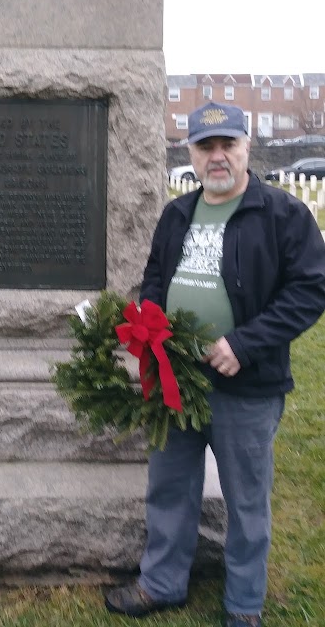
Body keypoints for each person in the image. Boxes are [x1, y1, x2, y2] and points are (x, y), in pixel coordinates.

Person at [104, 102, 325, 627]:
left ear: (248, 148)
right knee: (170, 485)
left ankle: (244, 604)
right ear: (191, 154)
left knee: (246, 499)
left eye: (228, 144)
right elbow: (156, 274)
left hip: (246, 383)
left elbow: (310, 288)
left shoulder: (282, 214)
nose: (218, 156)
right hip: (176, 377)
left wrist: (244, 344)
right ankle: (162, 583)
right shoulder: (177, 213)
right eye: (206, 147)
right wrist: (152, 328)